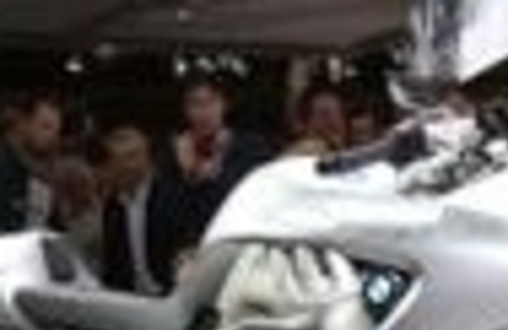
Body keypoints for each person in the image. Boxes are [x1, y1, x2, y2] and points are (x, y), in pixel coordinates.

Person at [164, 74, 268, 243]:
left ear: (224, 105)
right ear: (186, 110)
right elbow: (168, 218)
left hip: (239, 243)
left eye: (211, 102)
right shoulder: (175, 153)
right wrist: (186, 174)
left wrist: (213, 175)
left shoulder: (251, 147)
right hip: (194, 249)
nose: (204, 112)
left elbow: (250, 201)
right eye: (195, 104)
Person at [101, 126, 192, 295]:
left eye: (132, 156)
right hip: (129, 298)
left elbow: (186, 252)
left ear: (147, 158)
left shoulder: (172, 198)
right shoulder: (112, 206)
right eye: (117, 159)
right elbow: (112, 263)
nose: (126, 166)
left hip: (169, 295)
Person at [0, 94, 63, 232]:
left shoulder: (43, 176)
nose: (53, 136)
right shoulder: (4, 168)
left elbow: (54, 228)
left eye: (56, 131)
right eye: (46, 126)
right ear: (22, 123)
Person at [287, 83, 349, 155]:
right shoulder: (296, 156)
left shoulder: (353, 153)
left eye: (338, 113)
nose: (332, 121)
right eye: (323, 114)